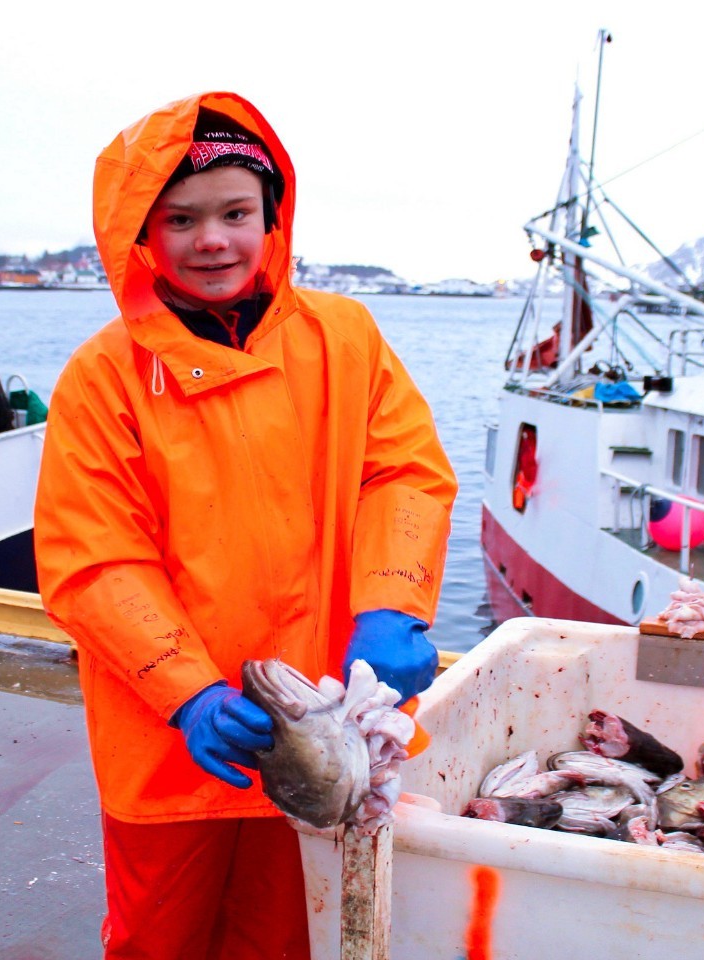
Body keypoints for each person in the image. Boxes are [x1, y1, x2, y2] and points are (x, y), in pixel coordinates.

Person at [33, 92, 456, 960]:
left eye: (235, 213)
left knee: (294, 934)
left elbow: (402, 473)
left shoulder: (345, 336)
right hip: (169, 747)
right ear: (142, 235)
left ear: (272, 217)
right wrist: (184, 691)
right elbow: (94, 556)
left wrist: (392, 603)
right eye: (181, 219)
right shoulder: (103, 377)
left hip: (324, 720)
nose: (213, 240)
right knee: (158, 938)